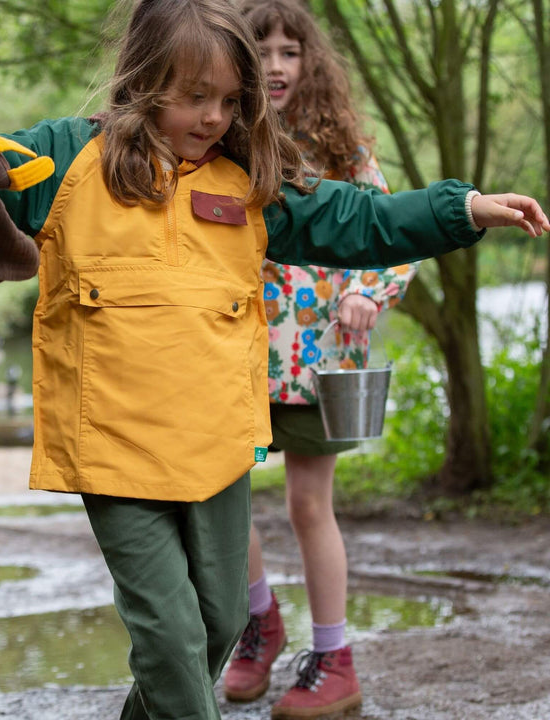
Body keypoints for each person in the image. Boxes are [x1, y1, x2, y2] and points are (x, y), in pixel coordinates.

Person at [0, 1, 548, 718]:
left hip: (217, 439)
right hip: (115, 445)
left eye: (231, 100)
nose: (214, 117)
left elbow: (360, 220)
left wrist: (464, 209)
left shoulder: (249, 182)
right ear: (144, 81)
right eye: (196, 96)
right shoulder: (68, 159)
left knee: (222, 621)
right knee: (170, 636)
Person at [224, 1, 417, 717]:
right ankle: (259, 622)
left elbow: (397, 233)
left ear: (311, 63)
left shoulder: (342, 149)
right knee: (222, 496)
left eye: (289, 51)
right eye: (261, 49)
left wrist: (368, 292)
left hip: (316, 359)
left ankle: (335, 660)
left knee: (310, 504)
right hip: (232, 351)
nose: (275, 64)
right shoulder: (222, 137)